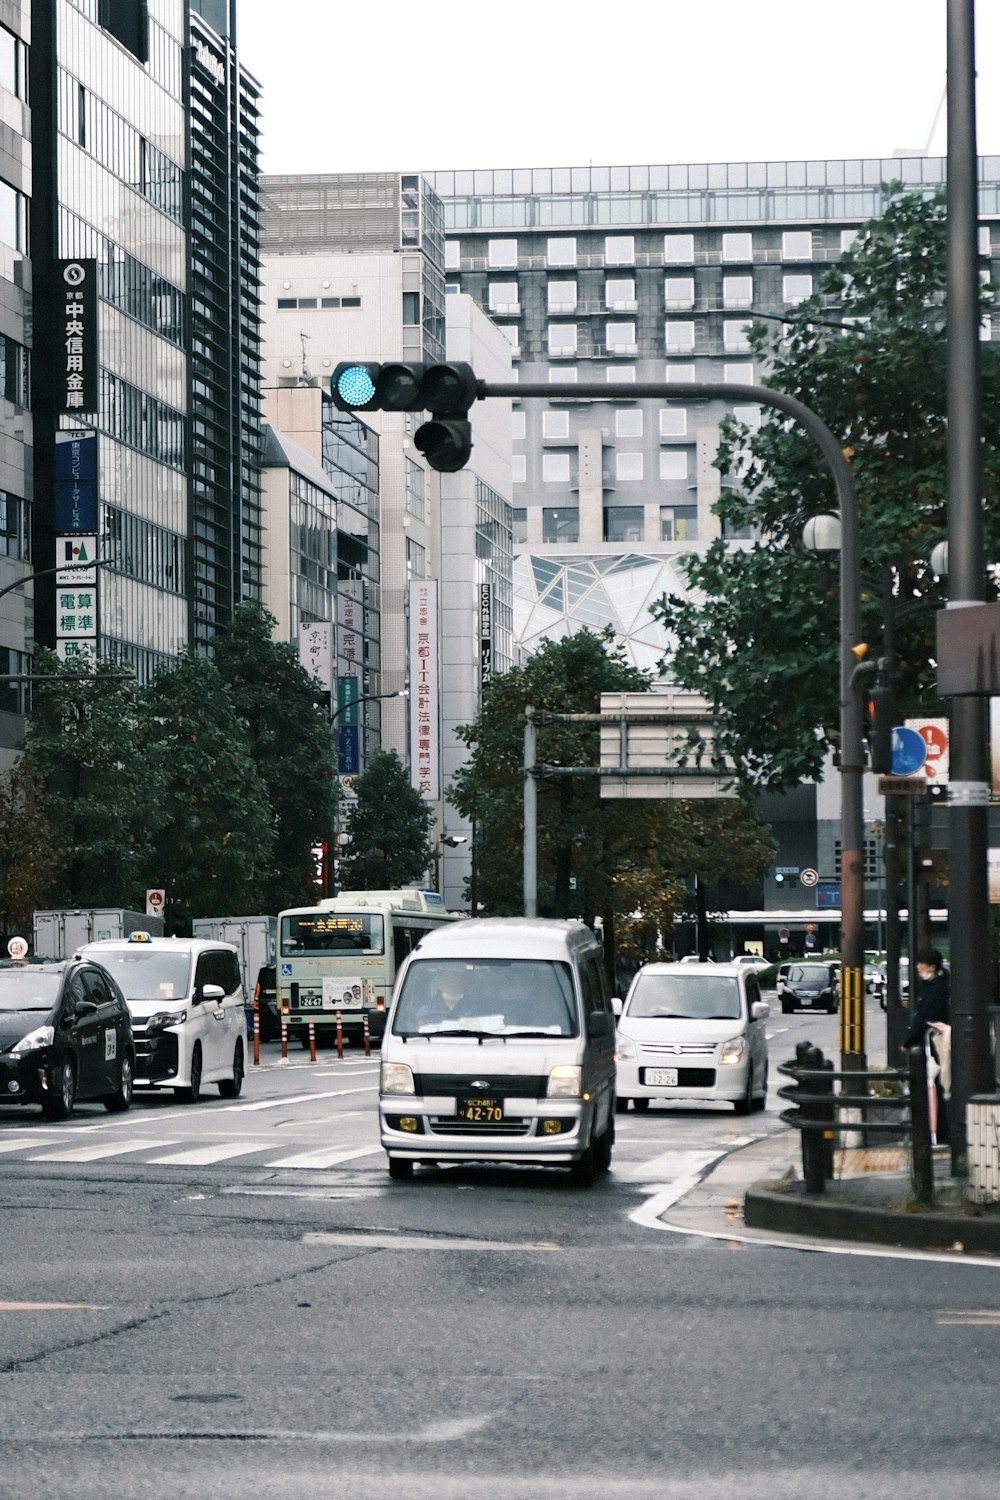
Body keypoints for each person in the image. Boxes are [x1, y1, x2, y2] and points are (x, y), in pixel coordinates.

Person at [903, 947, 950, 1144]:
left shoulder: (935, 989)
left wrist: (908, 1042)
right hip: (931, 1044)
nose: (918, 967)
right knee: (936, 1089)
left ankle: (938, 1134)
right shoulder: (934, 987)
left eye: (921, 964)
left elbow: (924, 1018)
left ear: (931, 966)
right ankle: (937, 1133)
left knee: (936, 1088)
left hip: (935, 1045)